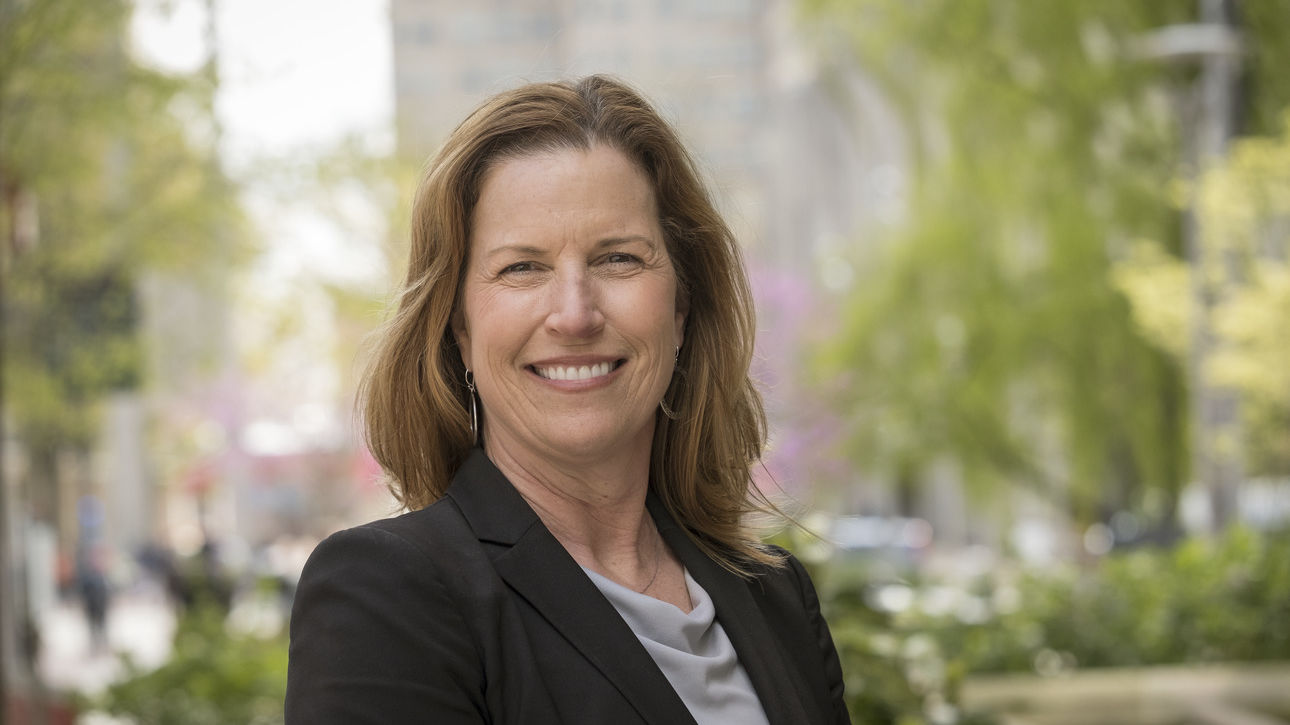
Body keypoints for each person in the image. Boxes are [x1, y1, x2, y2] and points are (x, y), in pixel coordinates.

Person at [285, 75, 849, 725]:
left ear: (682, 310)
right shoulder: (387, 594)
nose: (574, 313)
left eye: (618, 258)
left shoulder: (776, 596)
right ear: (460, 330)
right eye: (522, 267)